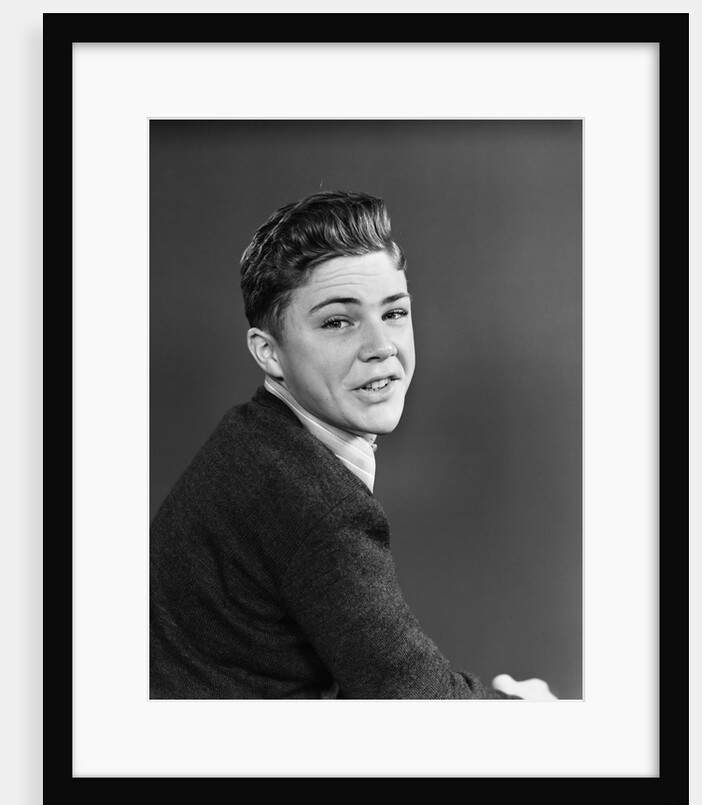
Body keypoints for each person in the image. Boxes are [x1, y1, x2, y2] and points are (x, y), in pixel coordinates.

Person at [150, 190, 556, 701]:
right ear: (269, 353)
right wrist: (533, 718)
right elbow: (418, 710)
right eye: (338, 322)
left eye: (394, 313)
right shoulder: (313, 505)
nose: (381, 347)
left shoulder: (253, 439)